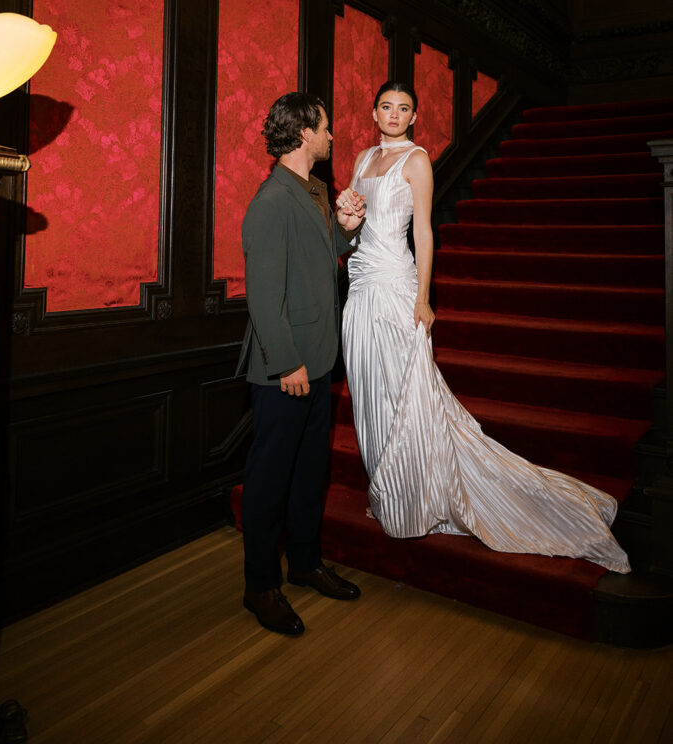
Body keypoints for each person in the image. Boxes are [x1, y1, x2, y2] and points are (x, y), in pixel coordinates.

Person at [337, 81, 630, 574]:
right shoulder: (363, 159)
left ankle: (414, 496)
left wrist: (424, 298)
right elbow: (353, 223)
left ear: (414, 117)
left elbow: (424, 232)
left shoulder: (417, 161)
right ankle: (388, 489)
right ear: (374, 112)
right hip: (361, 286)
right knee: (371, 391)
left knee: (406, 392)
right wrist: (345, 218)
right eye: (386, 106)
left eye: (403, 108)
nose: (394, 114)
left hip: (395, 286)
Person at [236, 91, 366, 636]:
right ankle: (260, 586)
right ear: (305, 131)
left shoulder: (313, 189)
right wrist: (286, 362)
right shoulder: (271, 201)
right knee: (269, 480)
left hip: (317, 358)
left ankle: (306, 563)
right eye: (326, 127)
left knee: (310, 472)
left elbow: (319, 253)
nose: (332, 136)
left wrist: (346, 227)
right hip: (285, 369)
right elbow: (264, 295)